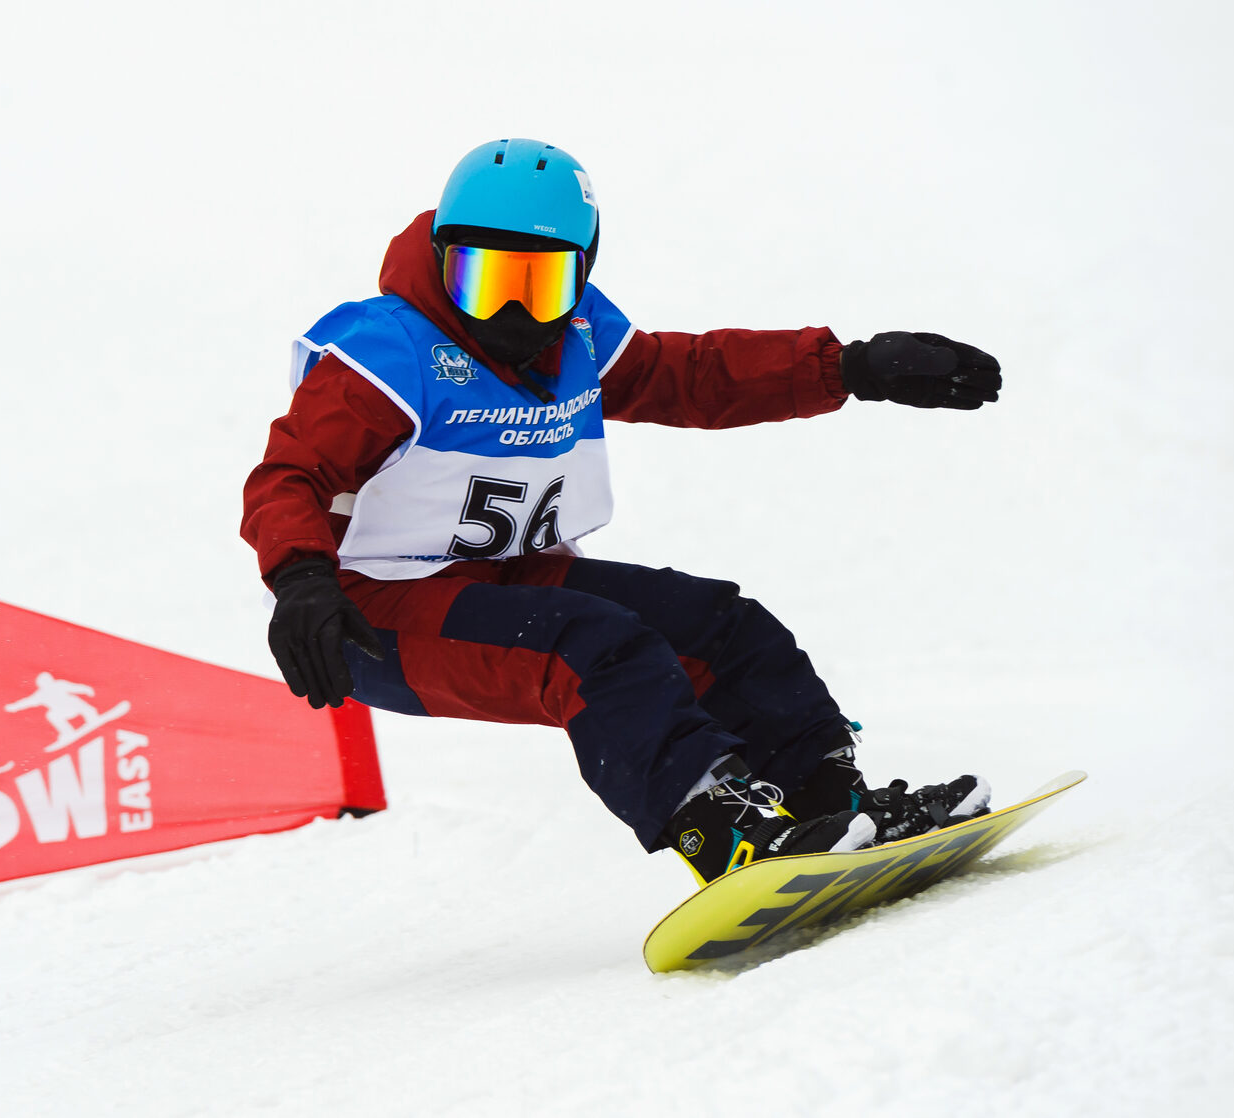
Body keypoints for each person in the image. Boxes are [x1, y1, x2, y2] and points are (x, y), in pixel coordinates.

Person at [241, 138, 1000, 886]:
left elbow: (690, 376)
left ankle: (830, 802)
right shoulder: (389, 353)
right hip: (367, 616)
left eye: (538, 285)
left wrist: (850, 367)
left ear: (583, 273)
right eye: (481, 278)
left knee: (722, 626)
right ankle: (723, 834)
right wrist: (303, 580)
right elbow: (289, 473)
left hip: (497, 581)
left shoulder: (575, 335)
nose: (508, 310)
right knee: (594, 645)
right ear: (442, 258)